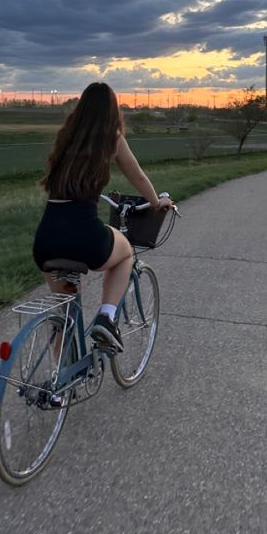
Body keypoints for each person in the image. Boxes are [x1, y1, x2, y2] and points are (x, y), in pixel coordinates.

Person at [33, 82, 173, 353]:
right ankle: (107, 318)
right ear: (112, 111)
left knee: (64, 315)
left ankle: (58, 387)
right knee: (126, 253)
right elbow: (138, 176)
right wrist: (156, 202)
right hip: (84, 237)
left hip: (46, 238)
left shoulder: (66, 137)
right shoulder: (112, 137)